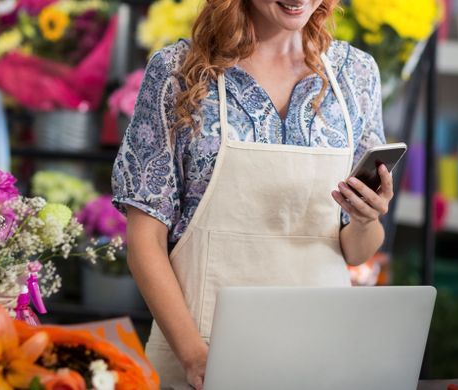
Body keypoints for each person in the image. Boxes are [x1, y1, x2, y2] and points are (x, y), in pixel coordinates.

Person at [112, 0, 392, 387]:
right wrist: (194, 356)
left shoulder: (356, 75)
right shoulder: (178, 71)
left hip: (322, 353)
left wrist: (366, 218)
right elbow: (144, 241)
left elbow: (357, 251)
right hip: (201, 351)